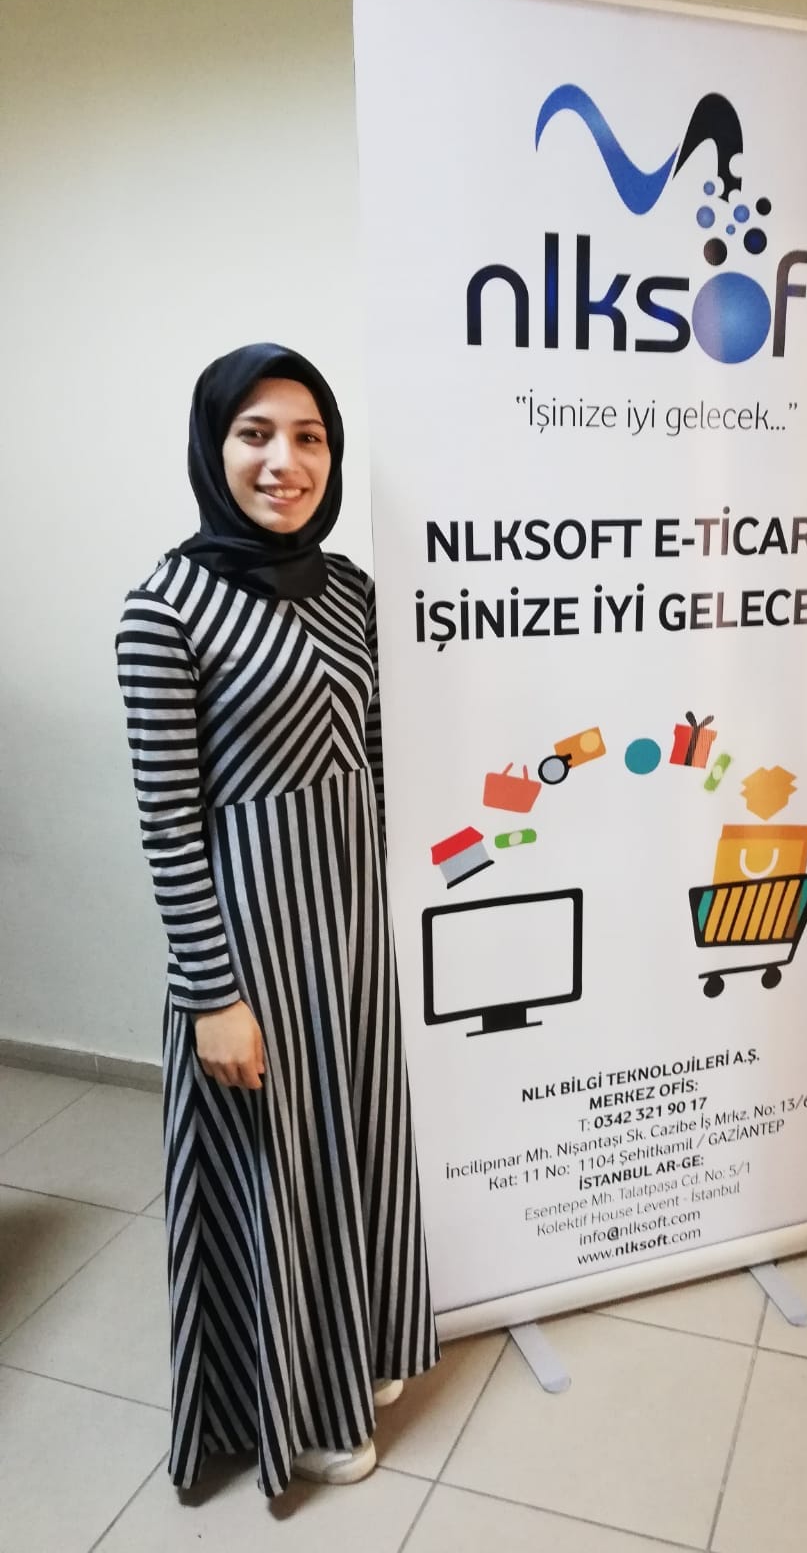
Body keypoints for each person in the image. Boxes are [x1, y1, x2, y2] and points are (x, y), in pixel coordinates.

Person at [115, 343, 438, 1496]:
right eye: (254, 434)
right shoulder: (164, 611)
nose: (283, 462)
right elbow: (167, 822)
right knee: (278, 1172)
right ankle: (297, 1412)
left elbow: (375, 760)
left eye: (308, 438)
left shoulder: (349, 590)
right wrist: (213, 996)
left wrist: (388, 915)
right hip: (249, 946)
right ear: (214, 448)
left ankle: (362, 1346)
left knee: (356, 1146)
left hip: (349, 932)